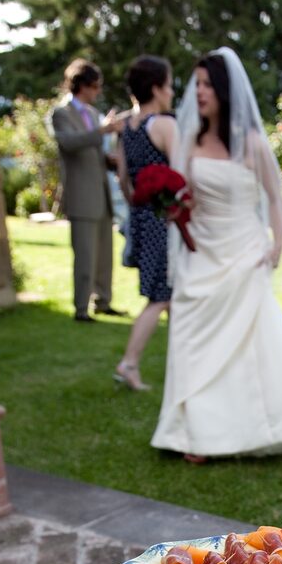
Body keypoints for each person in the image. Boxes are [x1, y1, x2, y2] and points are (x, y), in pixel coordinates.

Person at [151, 48, 282, 461]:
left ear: (223, 90)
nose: (198, 92)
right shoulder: (190, 141)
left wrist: (275, 242)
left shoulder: (251, 143)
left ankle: (243, 429)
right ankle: (191, 432)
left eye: (205, 84)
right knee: (190, 336)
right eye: (195, 83)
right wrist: (172, 207)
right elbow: (184, 195)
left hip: (242, 248)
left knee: (245, 345)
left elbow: (274, 198)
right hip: (200, 249)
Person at [114, 55, 177, 391]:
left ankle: (184, 365)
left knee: (172, 297)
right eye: (169, 84)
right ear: (156, 87)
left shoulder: (128, 128)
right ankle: (129, 361)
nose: (172, 91)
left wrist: (139, 205)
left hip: (141, 216)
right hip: (165, 220)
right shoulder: (164, 125)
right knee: (162, 296)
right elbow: (183, 175)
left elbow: (124, 180)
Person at [51, 58, 128, 323]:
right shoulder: (62, 113)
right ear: (81, 85)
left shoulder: (93, 114)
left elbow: (96, 150)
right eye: (95, 86)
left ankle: (103, 302)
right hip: (82, 196)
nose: (97, 92)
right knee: (85, 256)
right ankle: (81, 309)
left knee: (105, 256)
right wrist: (101, 130)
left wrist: (112, 159)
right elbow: (68, 144)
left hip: (102, 194)